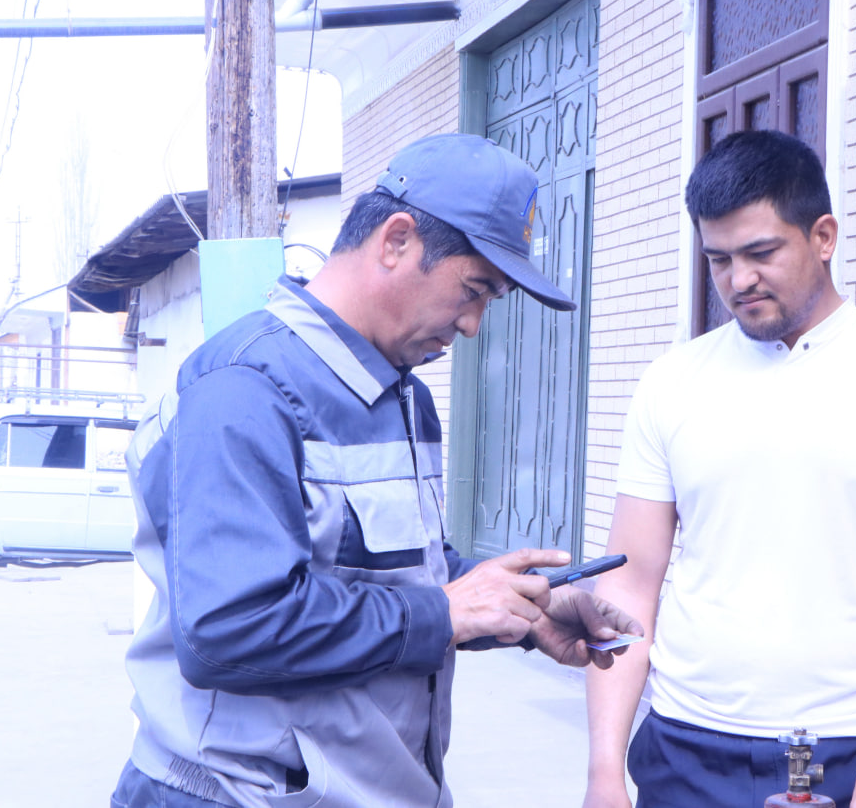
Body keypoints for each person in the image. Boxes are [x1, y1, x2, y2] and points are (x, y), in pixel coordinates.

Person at [111, 133, 642, 808]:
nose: (474, 326)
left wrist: (523, 607)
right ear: (396, 240)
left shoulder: (404, 396)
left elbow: (394, 573)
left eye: (492, 301)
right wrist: (445, 611)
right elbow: (230, 628)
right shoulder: (245, 389)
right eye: (473, 290)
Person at [582, 130, 856, 808]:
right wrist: (603, 769)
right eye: (718, 259)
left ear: (823, 237)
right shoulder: (672, 382)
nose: (738, 279)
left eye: (760, 252)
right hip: (685, 747)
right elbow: (631, 581)